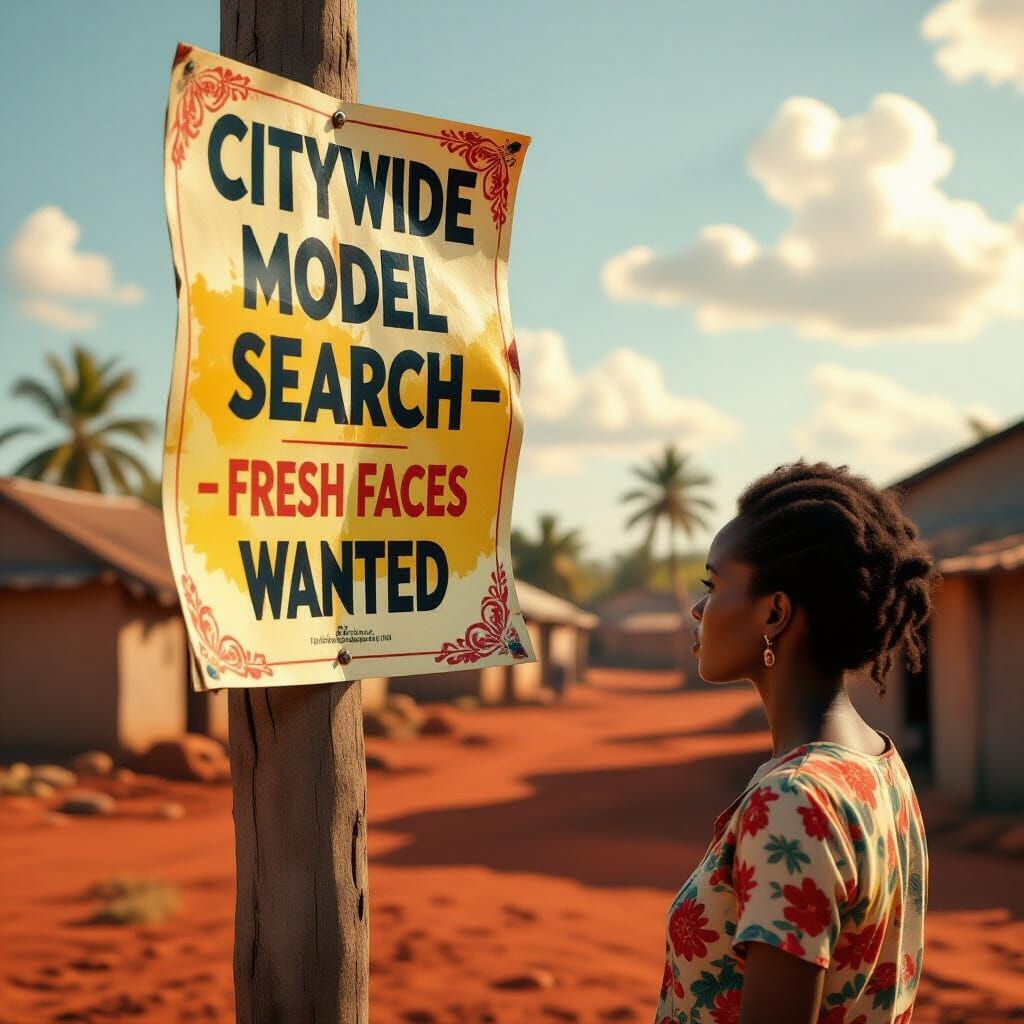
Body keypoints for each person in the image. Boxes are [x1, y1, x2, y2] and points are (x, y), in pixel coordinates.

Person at [655, 460, 940, 1024]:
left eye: (713, 585)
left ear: (776, 612)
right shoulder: (878, 765)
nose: (698, 608)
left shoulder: (794, 801)